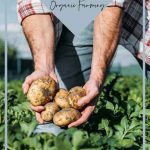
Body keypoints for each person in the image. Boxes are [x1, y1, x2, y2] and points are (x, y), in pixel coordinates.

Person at [17, 0, 150, 134]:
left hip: (141, 12)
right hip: (78, 13)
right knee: (55, 125)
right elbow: (33, 4)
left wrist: (97, 77)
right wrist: (43, 67)